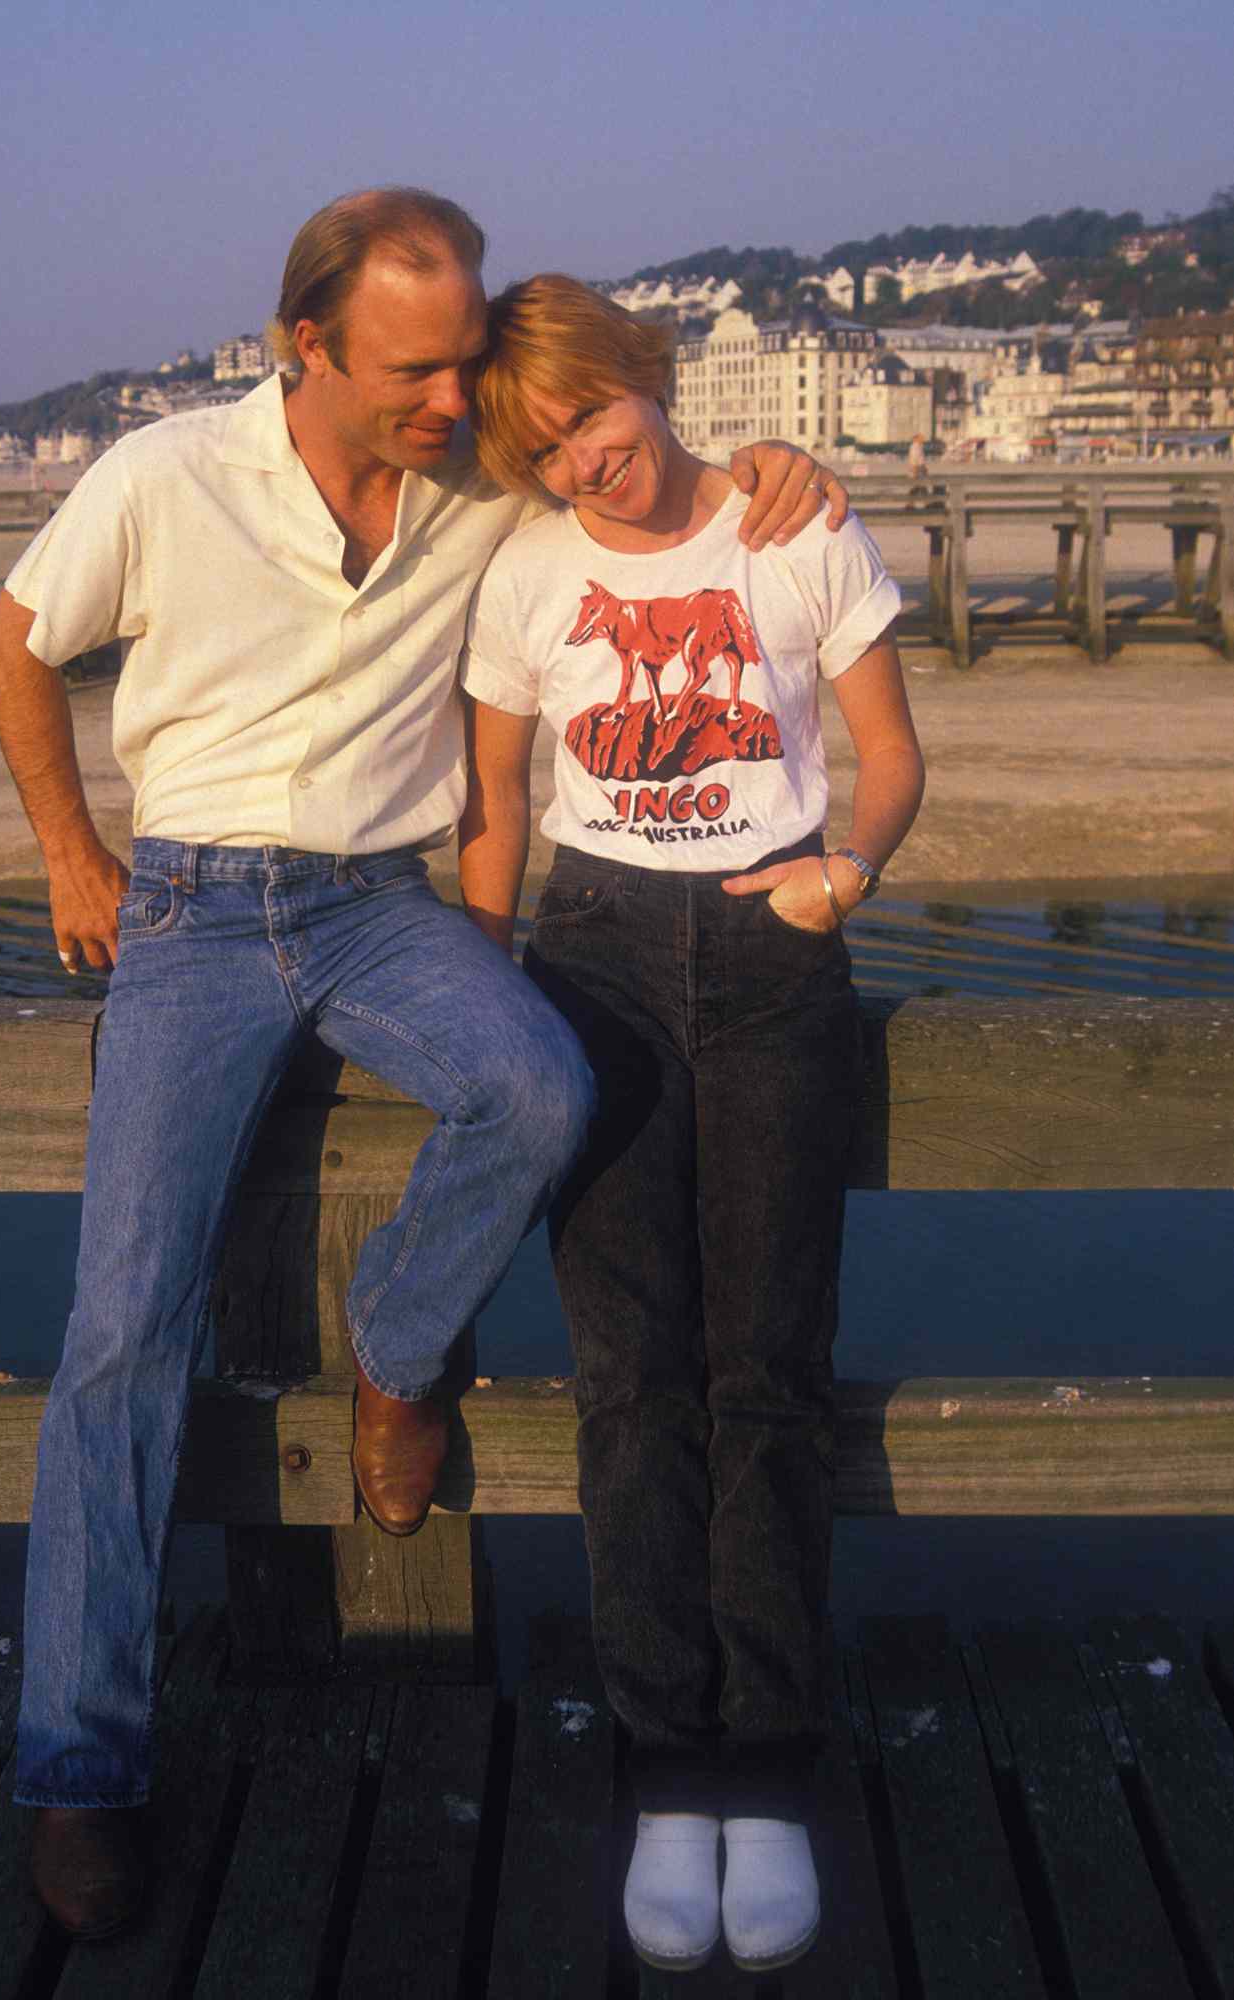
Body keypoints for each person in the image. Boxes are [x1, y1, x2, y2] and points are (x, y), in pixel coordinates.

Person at [0, 189, 848, 1940]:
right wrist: (72, 856)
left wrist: (761, 461)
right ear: (306, 344)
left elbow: (623, 470)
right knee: (122, 1329)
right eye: (410, 370)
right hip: (194, 906)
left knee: (537, 1086)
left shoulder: (472, 485)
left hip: (381, 906)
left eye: (461, 367)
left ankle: (395, 1355)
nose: (447, 402)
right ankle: (80, 1765)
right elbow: (17, 638)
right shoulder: (161, 474)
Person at [459, 275, 924, 1975]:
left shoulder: (793, 528)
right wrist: (490, 987)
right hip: (589, 956)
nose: (585, 461)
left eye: (591, 415)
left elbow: (888, 751)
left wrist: (845, 872)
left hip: (768, 950)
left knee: (769, 1370)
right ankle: (664, 1767)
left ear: (644, 380)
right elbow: (494, 799)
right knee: (631, 1371)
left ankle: (771, 1770)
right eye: (543, 445)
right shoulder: (524, 570)